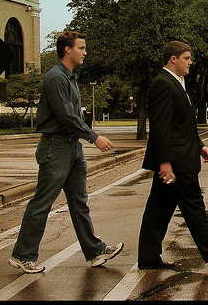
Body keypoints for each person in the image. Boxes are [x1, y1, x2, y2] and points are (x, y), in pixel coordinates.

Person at [9, 31, 123, 274]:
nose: (85, 52)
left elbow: (73, 116)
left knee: (79, 202)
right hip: (56, 147)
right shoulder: (56, 78)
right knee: (42, 202)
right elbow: (67, 116)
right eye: (81, 48)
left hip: (72, 147)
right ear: (67, 50)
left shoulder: (70, 77)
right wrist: (94, 137)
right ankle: (23, 255)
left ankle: (94, 251)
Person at [138, 41, 208, 270]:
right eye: (186, 58)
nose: (190, 62)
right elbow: (161, 126)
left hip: (181, 155)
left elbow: (182, 124)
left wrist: (199, 145)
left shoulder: (177, 83)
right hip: (176, 161)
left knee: (158, 210)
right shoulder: (163, 84)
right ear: (173, 59)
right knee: (194, 207)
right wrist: (164, 162)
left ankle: (148, 257)